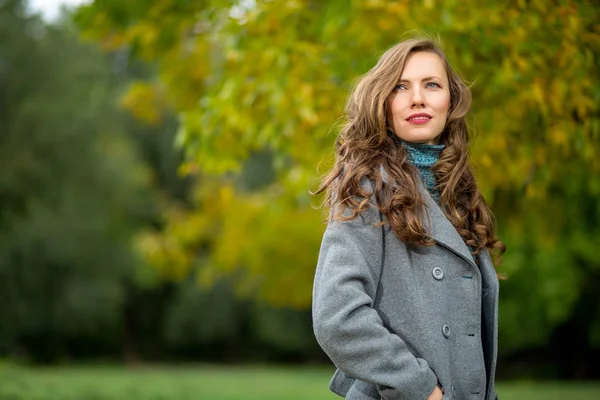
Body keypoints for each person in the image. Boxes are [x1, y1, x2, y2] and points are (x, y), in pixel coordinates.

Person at [312, 37, 505, 400]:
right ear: (384, 104)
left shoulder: (458, 195)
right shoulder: (366, 189)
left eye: (432, 84)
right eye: (401, 87)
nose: (418, 98)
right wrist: (422, 390)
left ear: (451, 101)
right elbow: (337, 318)